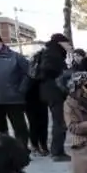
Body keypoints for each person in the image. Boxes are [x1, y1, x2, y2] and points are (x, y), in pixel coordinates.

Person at [36, 33, 73, 162]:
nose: (70, 46)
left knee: (59, 121)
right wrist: (64, 73)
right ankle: (57, 152)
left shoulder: (52, 53)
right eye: (67, 43)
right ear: (60, 43)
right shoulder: (53, 54)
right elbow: (47, 70)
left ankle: (56, 150)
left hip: (49, 92)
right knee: (60, 122)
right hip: (54, 92)